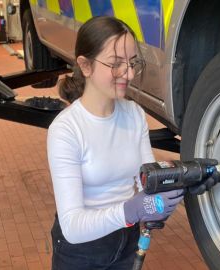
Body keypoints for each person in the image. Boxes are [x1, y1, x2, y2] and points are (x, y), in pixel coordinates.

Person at [47, 16, 185, 270]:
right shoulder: (66, 129)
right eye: (116, 64)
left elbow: (147, 182)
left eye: (133, 63)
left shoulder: (133, 113)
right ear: (85, 66)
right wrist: (130, 211)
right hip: (81, 253)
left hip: (127, 241)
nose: (129, 73)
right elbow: (73, 227)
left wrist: (183, 180)